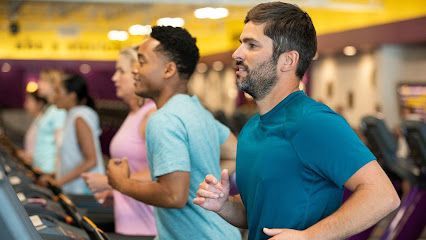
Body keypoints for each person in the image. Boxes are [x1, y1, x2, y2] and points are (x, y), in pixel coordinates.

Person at [194, 2, 400, 240]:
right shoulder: (252, 129)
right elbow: (258, 214)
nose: (237, 53)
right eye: (241, 43)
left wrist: (310, 236)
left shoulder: (314, 122)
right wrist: (224, 205)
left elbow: (384, 195)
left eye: (251, 45)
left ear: (288, 61)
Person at [107, 26, 241, 240]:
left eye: (142, 61)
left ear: (168, 70)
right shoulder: (196, 110)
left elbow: (173, 195)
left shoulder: (163, 120)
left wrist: (122, 184)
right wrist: (196, 181)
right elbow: (234, 152)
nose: (135, 70)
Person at [82, 47, 157, 238]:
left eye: (121, 71)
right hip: (131, 223)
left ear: (137, 74)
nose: (115, 78)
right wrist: (116, 193)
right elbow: (137, 170)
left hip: (148, 228)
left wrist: (110, 182)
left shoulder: (151, 115)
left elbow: (162, 173)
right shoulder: (134, 114)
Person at [52, 74, 105, 194]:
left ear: (72, 95)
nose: (54, 97)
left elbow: (91, 160)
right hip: (73, 190)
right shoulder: (70, 115)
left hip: (84, 191)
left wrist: (58, 182)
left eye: (58, 92)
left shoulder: (80, 117)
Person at [32, 69, 66, 174]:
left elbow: (59, 144)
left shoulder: (58, 110)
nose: (39, 84)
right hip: (42, 168)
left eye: (43, 80)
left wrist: (54, 173)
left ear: (53, 85)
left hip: (49, 170)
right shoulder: (50, 108)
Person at [16, 90, 48, 165]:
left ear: (39, 104)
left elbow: (46, 149)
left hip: (39, 166)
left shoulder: (43, 122)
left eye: (29, 101)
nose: (25, 105)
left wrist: (28, 157)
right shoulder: (37, 121)